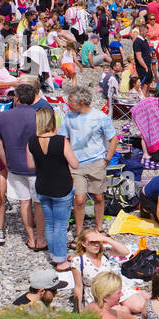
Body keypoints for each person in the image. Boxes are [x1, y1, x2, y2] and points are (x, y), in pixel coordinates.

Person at [59, 86, 119, 233]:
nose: (68, 103)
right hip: (77, 164)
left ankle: (99, 227)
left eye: (71, 101)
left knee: (98, 197)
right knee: (79, 200)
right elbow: (63, 138)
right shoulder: (68, 116)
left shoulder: (100, 117)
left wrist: (107, 159)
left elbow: (113, 139)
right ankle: (79, 231)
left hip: (97, 162)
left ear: (82, 102)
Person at [0, 84, 45, 251]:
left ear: (16, 98)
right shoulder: (38, 116)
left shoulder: (4, 116)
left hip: (14, 164)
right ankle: (41, 239)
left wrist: (6, 161)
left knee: (24, 202)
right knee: (38, 203)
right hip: (37, 165)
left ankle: (30, 238)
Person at [27, 107, 78, 272]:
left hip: (42, 185)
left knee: (50, 223)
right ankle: (61, 260)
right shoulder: (61, 140)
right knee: (61, 225)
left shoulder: (31, 141)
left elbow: (30, 165)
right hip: (61, 186)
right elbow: (75, 163)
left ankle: (55, 255)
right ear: (52, 121)